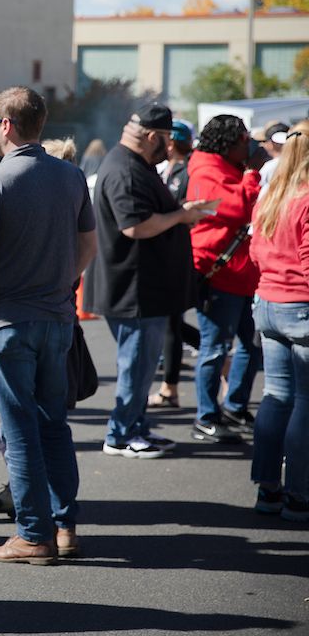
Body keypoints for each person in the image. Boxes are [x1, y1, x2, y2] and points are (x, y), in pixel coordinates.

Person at [0, 88, 96, 566]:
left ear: (6, 124)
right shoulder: (70, 175)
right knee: (53, 425)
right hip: (56, 316)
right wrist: (65, 281)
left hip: (7, 319)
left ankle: (33, 534)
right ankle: (63, 526)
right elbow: (88, 243)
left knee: (21, 429)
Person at [88, 104, 215, 459]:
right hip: (134, 291)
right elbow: (135, 226)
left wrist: (181, 213)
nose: (169, 145)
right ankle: (121, 434)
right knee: (137, 367)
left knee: (141, 367)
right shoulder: (125, 168)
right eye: (166, 138)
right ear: (151, 136)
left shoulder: (133, 164)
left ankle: (135, 426)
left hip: (140, 290)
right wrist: (181, 215)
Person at [185, 115, 261, 444]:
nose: (250, 145)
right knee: (215, 349)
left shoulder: (222, 166)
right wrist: (252, 173)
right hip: (218, 272)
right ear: (228, 142)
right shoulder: (205, 170)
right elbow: (239, 209)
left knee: (249, 346)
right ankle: (206, 416)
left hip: (240, 273)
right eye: (244, 140)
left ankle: (234, 406)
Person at [249, 119, 309, 522]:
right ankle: (299, 495)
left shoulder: (270, 195)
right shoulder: (304, 199)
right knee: (303, 402)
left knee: (276, 396)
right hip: (299, 306)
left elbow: (255, 252)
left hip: (268, 302)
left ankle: (268, 488)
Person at [149, 120, 197, 409]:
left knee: (172, 323)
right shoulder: (164, 169)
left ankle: (171, 388)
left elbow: (183, 208)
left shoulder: (187, 170)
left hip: (178, 252)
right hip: (163, 252)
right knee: (172, 323)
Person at [258, 121, 289, 189]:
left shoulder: (268, 167)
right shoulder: (300, 161)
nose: (262, 145)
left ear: (271, 143)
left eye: (264, 141)